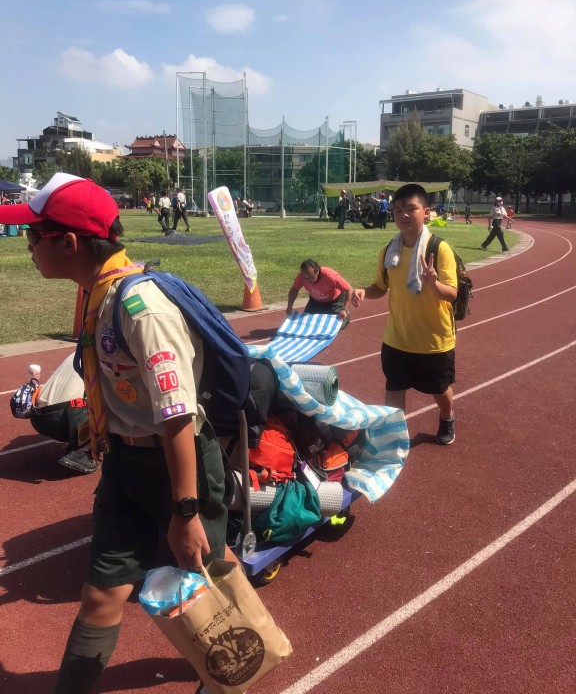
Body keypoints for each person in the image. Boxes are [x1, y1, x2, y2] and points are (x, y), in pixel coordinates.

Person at [0, 172, 234, 694]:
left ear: (69, 242)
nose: (28, 246)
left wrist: (186, 510)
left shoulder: (138, 307)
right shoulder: (96, 295)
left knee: (208, 568)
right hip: (127, 465)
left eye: (33, 236)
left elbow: (175, 414)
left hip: (178, 462)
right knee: (101, 594)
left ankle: (236, 660)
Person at [351, 183, 458, 445]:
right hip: (397, 337)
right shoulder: (389, 250)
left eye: (411, 208)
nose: (404, 215)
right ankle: (394, 436)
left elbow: (452, 294)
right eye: (398, 210)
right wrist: (364, 291)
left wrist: (433, 282)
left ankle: (447, 417)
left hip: (433, 340)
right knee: (394, 388)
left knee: (439, 389)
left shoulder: (438, 248)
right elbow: (380, 287)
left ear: (426, 211)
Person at [29, 352, 98, 474]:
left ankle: (79, 441)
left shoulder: (81, 350)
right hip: (59, 419)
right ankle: (80, 453)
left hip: (38, 417)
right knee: (114, 403)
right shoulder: (102, 355)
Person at [286, 259, 352, 329]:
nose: (308, 280)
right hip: (315, 301)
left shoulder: (330, 275)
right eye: (306, 278)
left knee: (336, 325)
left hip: (334, 301)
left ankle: (346, 316)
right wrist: (289, 306)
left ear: (317, 271)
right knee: (305, 324)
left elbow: (349, 289)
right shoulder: (301, 277)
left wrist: (344, 309)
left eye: (311, 277)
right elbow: (294, 289)